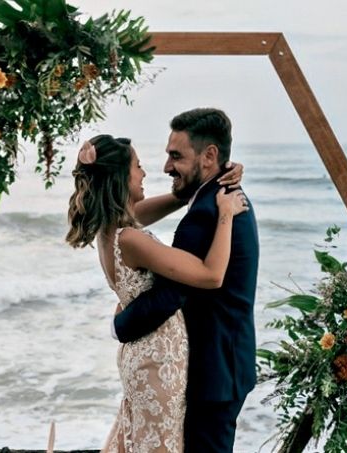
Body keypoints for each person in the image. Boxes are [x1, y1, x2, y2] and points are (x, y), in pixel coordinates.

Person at [66, 133, 248, 452]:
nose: (145, 172)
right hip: (158, 361)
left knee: (141, 440)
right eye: (137, 166)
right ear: (121, 177)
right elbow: (211, 274)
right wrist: (225, 214)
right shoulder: (131, 240)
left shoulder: (109, 227)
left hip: (142, 356)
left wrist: (212, 176)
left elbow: (171, 201)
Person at [113, 108, 260, 452]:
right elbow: (132, 214)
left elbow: (170, 295)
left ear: (209, 156)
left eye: (175, 156)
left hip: (213, 375)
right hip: (227, 363)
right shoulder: (223, 198)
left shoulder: (205, 215)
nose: (165, 167)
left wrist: (119, 326)